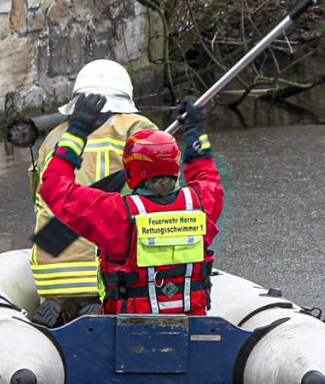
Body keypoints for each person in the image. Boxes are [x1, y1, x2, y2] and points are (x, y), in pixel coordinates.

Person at [38, 95, 223, 315]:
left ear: (129, 171)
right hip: (192, 326)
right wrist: (196, 132)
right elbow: (205, 172)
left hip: (129, 331)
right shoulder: (203, 204)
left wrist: (76, 133)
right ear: (175, 166)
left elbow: (54, 187)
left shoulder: (116, 214)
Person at [30, 59, 159, 326]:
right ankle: (95, 303)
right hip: (101, 271)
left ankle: (60, 304)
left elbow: (39, 198)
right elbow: (162, 193)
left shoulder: (54, 137)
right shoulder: (137, 128)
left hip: (48, 270)